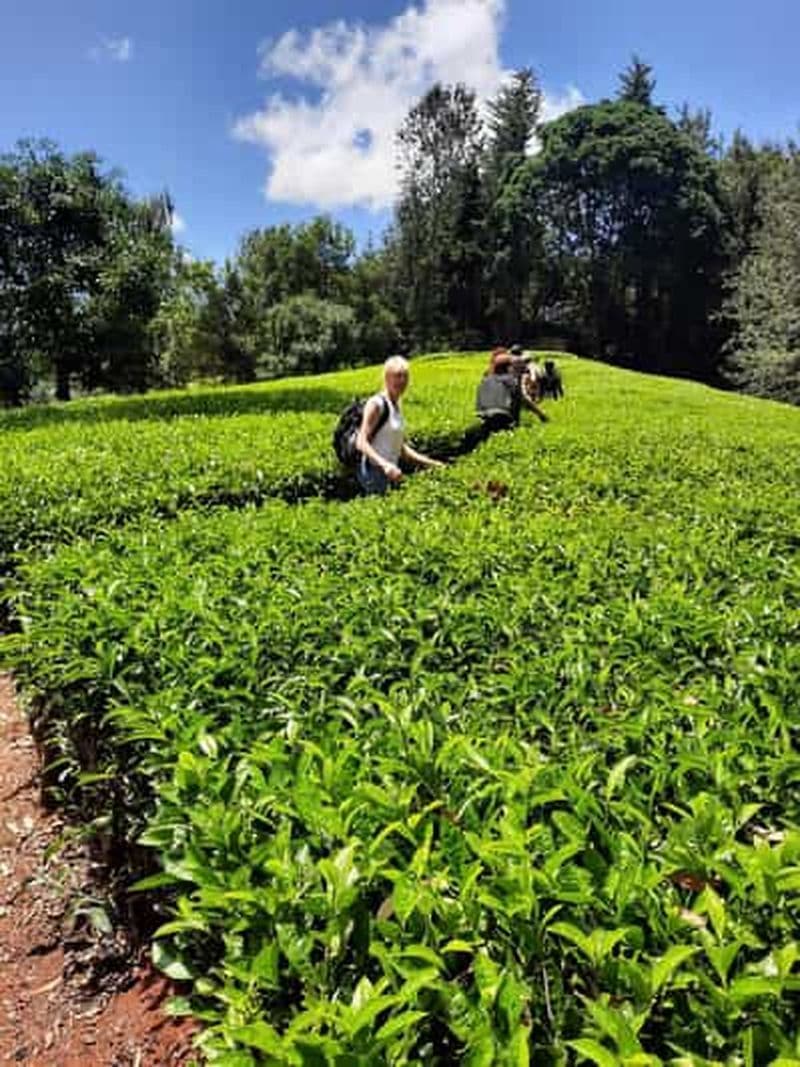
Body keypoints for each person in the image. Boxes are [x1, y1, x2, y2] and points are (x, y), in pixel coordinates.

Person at [355, 356, 444, 495]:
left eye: (405, 376)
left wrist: (431, 463)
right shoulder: (376, 404)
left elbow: (401, 449)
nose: (402, 381)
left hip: (392, 474)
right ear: (386, 378)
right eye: (397, 376)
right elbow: (361, 442)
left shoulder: (397, 406)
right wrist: (385, 465)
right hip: (374, 473)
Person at [475, 348, 547, 438]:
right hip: (502, 415)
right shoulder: (510, 380)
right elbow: (522, 398)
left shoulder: (488, 375)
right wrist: (541, 414)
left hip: (483, 413)